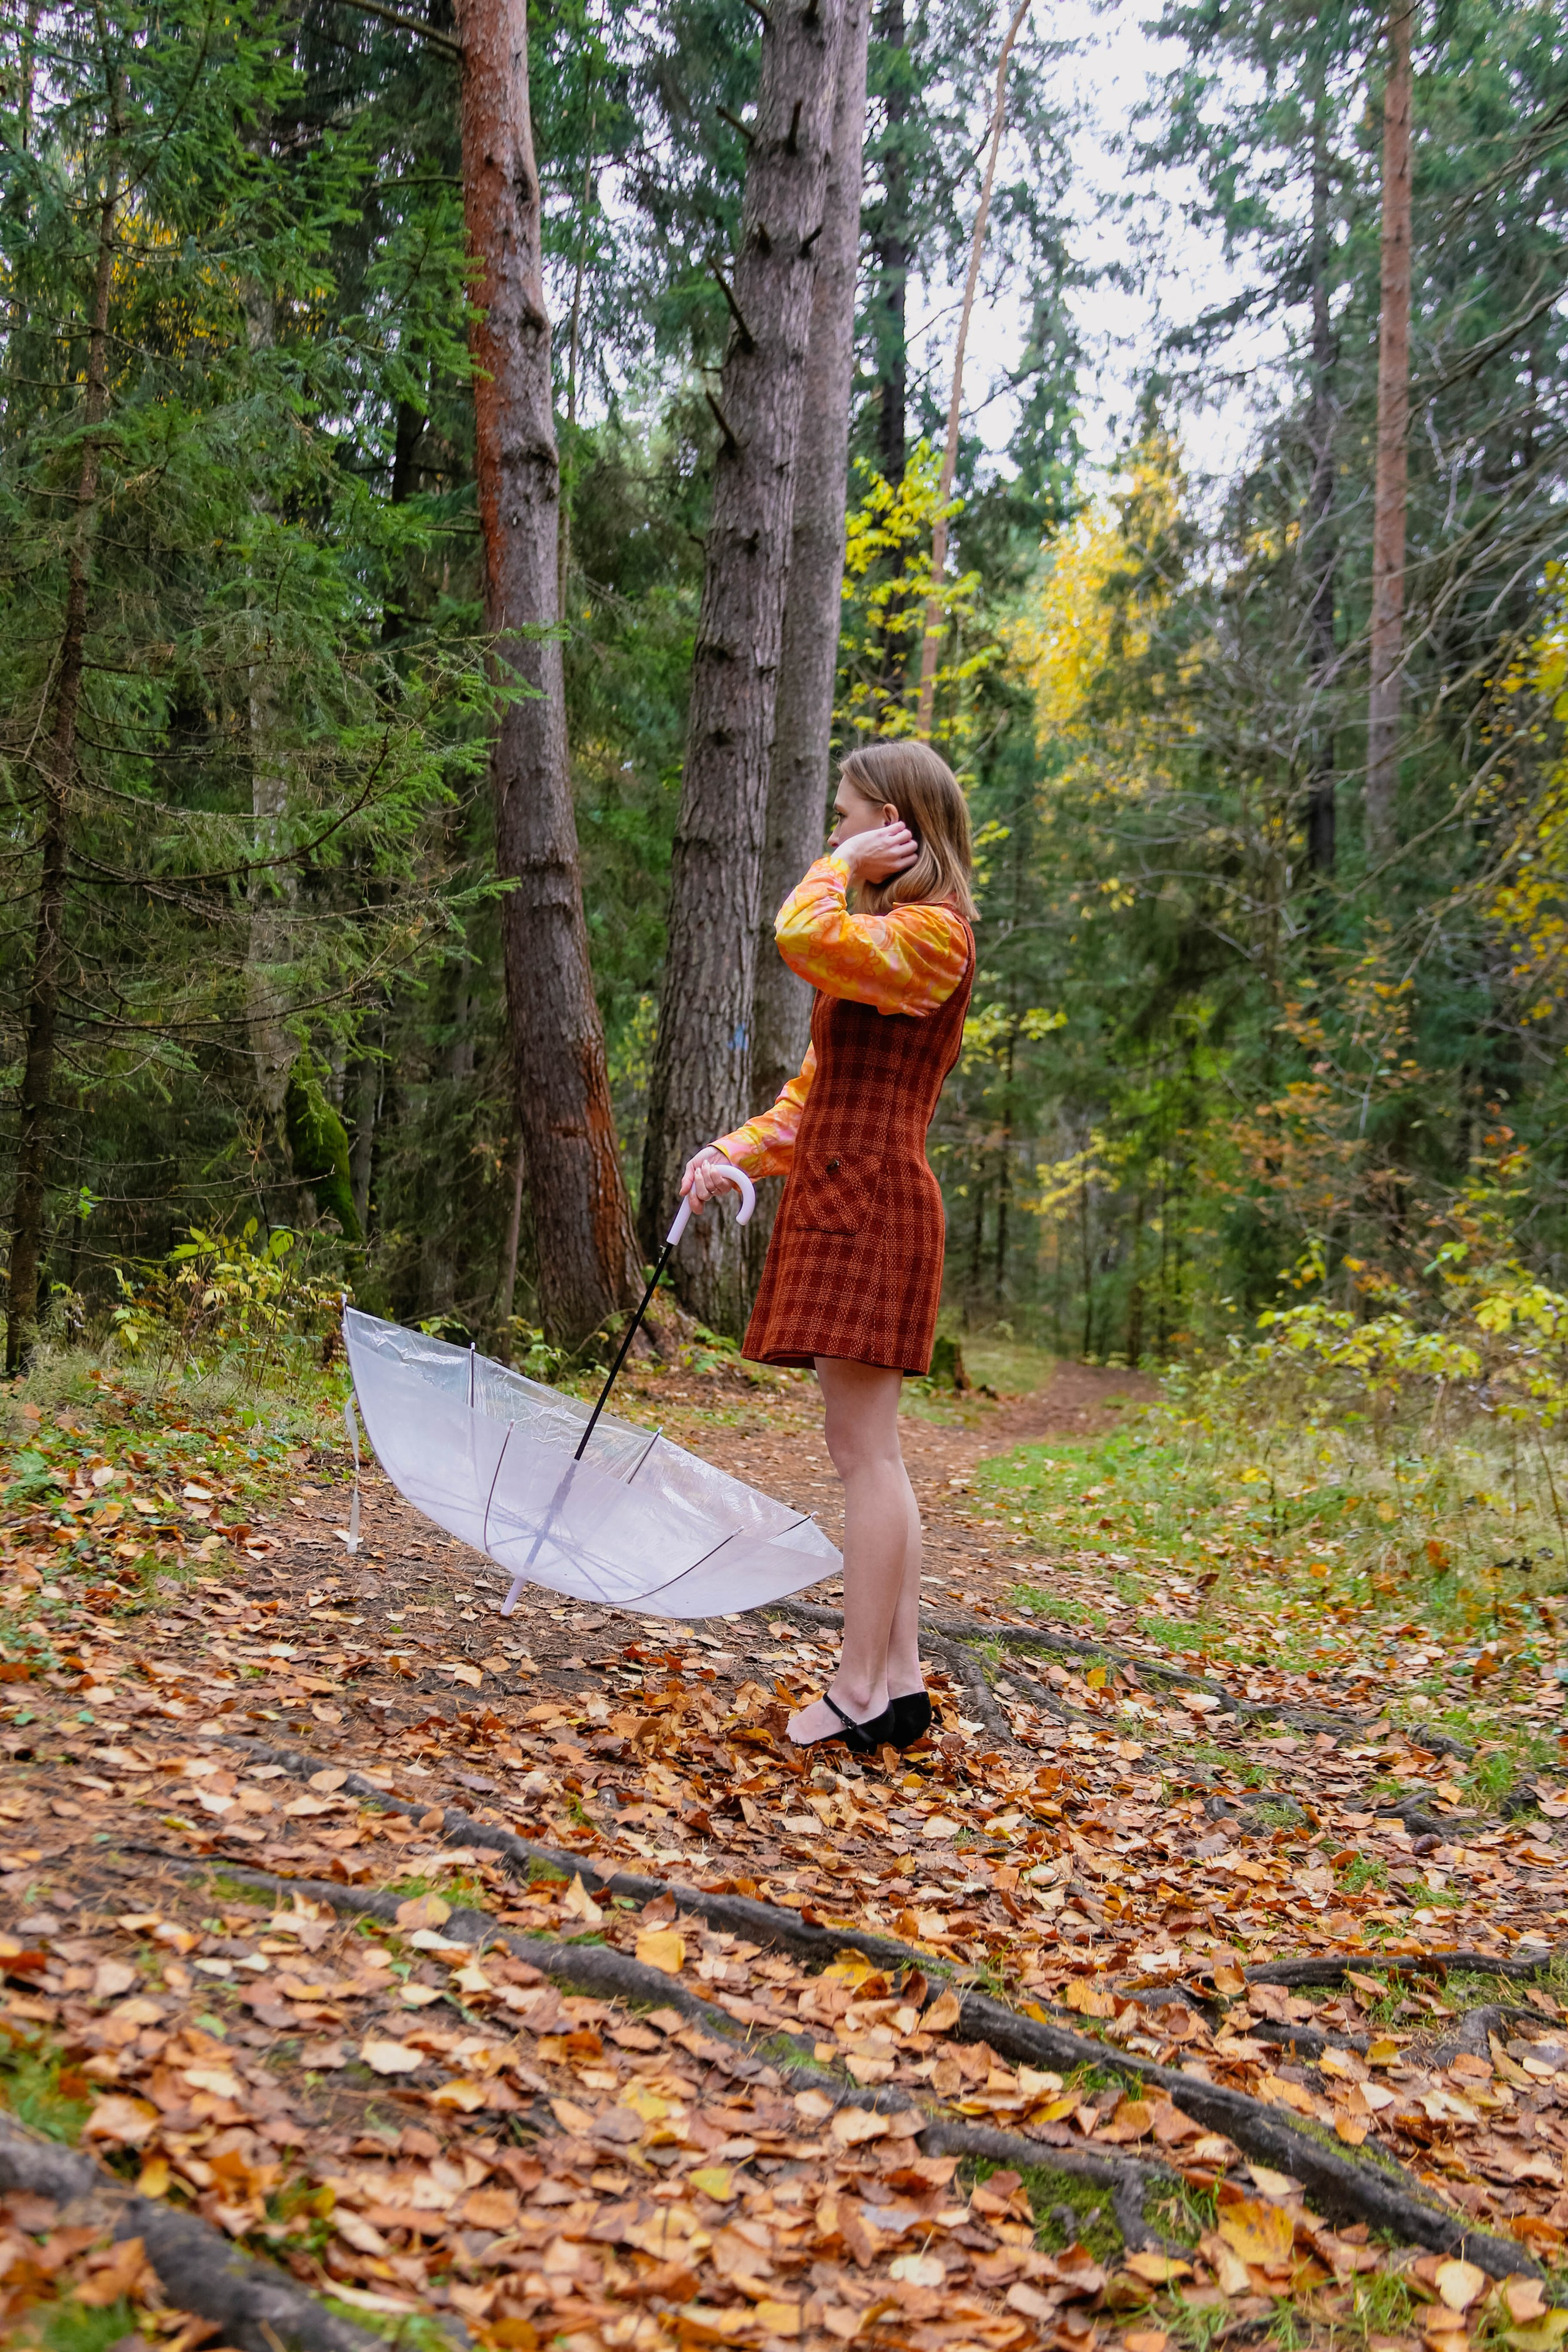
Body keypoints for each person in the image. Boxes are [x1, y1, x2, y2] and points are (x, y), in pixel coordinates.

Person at [680, 741, 976, 1753]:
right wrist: (731, 1152)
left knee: (865, 1457)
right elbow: (813, 1104)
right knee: (868, 1453)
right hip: (846, 1194)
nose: (835, 836)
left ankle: (858, 1690)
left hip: (875, 1205)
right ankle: (894, 1685)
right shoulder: (892, 942)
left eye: (848, 818)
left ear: (899, 825)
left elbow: (798, 932)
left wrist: (842, 873)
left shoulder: (933, 938)